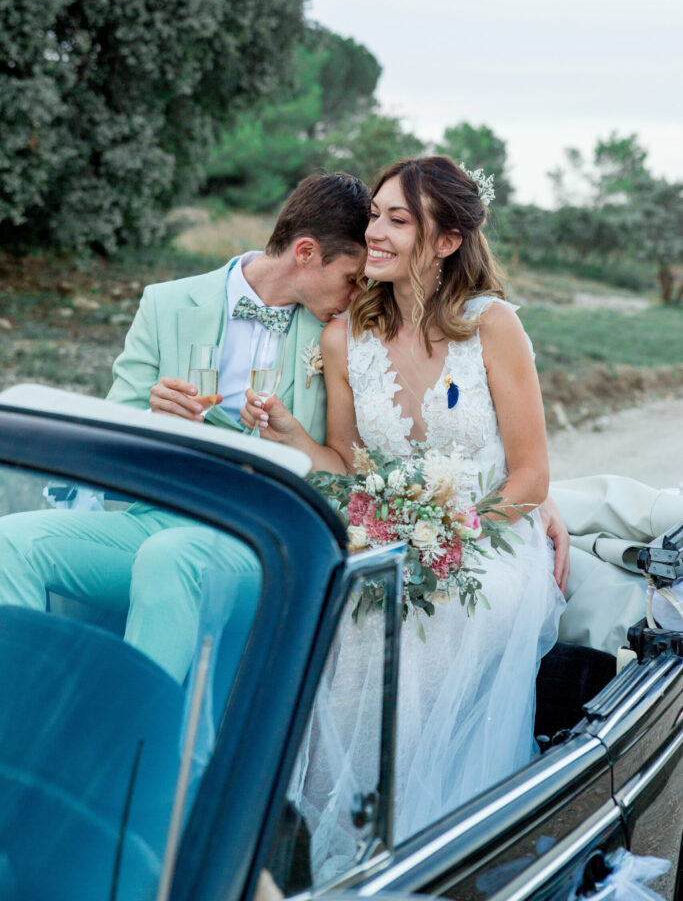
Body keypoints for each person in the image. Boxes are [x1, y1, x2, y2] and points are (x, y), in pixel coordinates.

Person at [241, 156, 566, 857]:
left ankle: (419, 837)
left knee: (435, 615)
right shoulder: (342, 338)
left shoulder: (492, 326)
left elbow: (531, 475)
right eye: (373, 215)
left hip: (491, 540)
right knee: (341, 604)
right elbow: (343, 463)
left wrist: (452, 535)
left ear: (445, 240)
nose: (375, 233)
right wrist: (292, 437)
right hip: (392, 536)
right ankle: (345, 836)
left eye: (397, 219)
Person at [0, 173, 370, 682]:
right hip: (157, 519)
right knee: (10, 541)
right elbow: (107, 450)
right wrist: (150, 420)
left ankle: (133, 749)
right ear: (305, 252)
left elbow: (346, 471)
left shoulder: (343, 335)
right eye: (352, 278)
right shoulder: (166, 303)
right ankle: (24, 727)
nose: (356, 295)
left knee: (170, 557)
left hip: (264, 536)